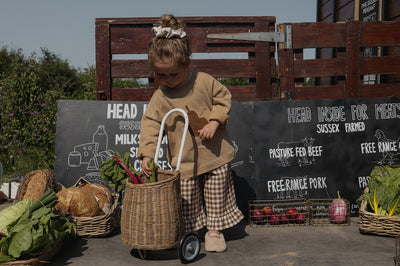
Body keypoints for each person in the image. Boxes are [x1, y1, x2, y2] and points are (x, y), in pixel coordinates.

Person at [138, 14, 244, 253]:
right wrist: (147, 154)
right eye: (160, 75)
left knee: (216, 195)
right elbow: (151, 125)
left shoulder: (203, 82)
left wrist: (215, 121)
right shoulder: (160, 97)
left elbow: (223, 98)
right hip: (183, 161)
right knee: (187, 199)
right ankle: (192, 231)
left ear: (188, 64)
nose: (167, 80)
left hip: (214, 155)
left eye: (173, 74)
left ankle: (215, 231)